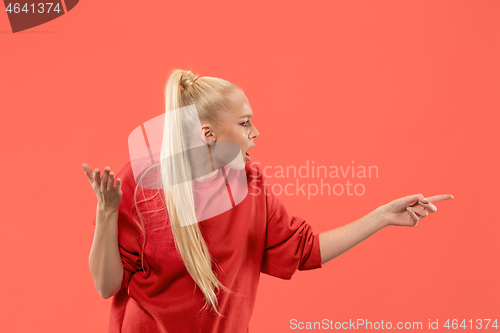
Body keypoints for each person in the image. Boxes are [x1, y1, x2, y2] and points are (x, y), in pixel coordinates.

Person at [82, 69, 454, 333]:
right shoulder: (142, 180)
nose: (256, 133)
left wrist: (383, 215)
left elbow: (304, 250)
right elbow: (106, 285)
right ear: (209, 134)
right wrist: (107, 211)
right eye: (244, 123)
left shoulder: (250, 184)